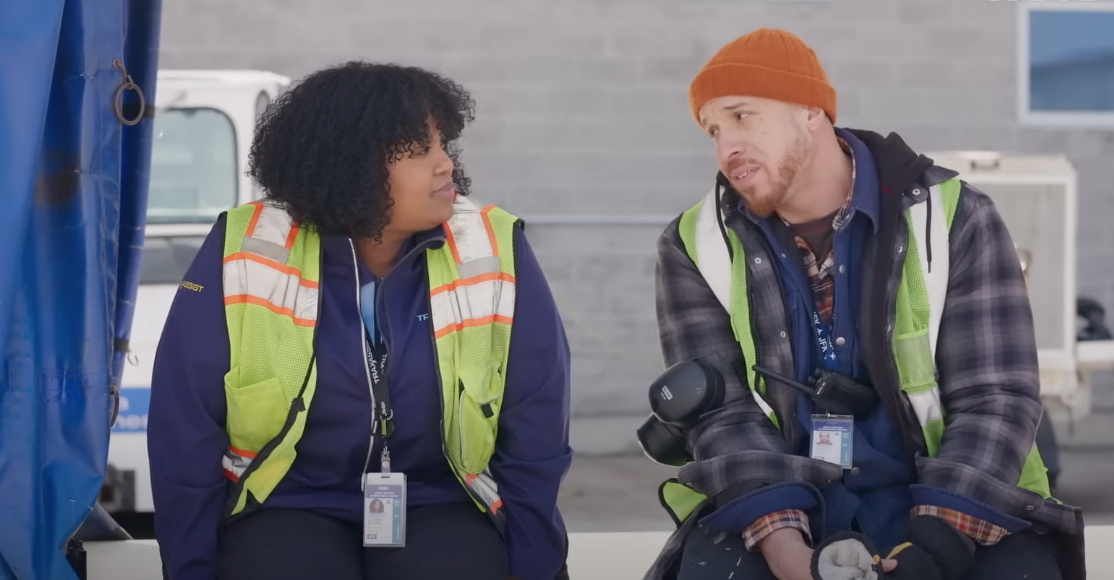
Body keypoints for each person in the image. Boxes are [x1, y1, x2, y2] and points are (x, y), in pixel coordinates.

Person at [643, 28, 1084, 580]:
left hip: (953, 503)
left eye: (742, 115)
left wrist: (933, 547)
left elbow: (996, 398)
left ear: (810, 111)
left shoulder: (955, 219)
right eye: (712, 129)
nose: (725, 146)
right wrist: (784, 548)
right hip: (781, 505)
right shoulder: (694, 243)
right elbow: (720, 413)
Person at [147, 61, 573, 580]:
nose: (446, 166)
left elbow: (537, 428)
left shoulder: (495, 244)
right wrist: (190, 569)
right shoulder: (243, 247)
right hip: (285, 502)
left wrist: (537, 567)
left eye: (444, 145)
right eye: (421, 150)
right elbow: (184, 423)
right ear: (348, 164)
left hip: (442, 499)